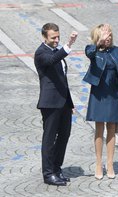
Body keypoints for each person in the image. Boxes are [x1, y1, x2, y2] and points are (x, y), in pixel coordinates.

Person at [34, 23, 78, 186]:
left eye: (58, 37)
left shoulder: (55, 52)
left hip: (64, 103)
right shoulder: (41, 53)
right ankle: (48, 173)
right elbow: (53, 60)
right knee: (49, 138)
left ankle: (56, 168)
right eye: (53, 37)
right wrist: (69, 44)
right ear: (44, 37)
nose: (56, 40)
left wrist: (70, 102)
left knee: (64, 136)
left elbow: (63, 81)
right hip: (50, 104)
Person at [83, 24, 118, 180]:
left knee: (111, 128)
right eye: (106, 35)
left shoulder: (116, 50)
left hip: (112, 93)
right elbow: (89, 53)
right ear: (98, 37)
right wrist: (99, 44)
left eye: (110, 35)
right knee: (99, 128)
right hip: (99, 94)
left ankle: (110, 163)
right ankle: (99, 163)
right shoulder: (92, 50)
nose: (109, 37)